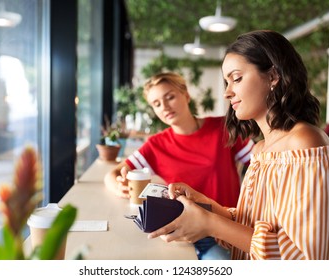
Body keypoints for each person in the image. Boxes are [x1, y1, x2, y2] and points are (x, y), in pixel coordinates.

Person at [147, 30, 329, 260]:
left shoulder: (305, 143)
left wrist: (210, 223)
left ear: (273, 76)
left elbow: (307, 259)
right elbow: (255, 225)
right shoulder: (260, 150)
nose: (227, 92)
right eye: (227, 82)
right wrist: (207, 207)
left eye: (236, 78)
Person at [104, 72, 254, 259]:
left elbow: (259, 164)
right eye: (157, 104)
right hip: (193, 232)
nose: (165, 106)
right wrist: (119, 186)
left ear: (186, 95)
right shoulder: (156, 145)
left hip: (233, 224)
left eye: (170, 97)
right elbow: (114, 173)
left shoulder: (222, 127)